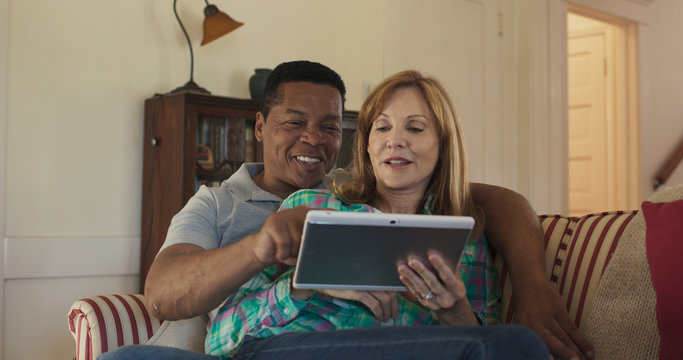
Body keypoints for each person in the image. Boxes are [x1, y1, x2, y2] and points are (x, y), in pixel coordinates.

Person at [123, 61, 592, 359]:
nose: (396, 140)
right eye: (383, 127)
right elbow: (192, 317)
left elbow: (489, 201)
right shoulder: (292, 205)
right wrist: (295, 278)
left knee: (516, 344)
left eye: (329, 126)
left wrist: (463, 308)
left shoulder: (462, 235)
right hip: (280, 347)